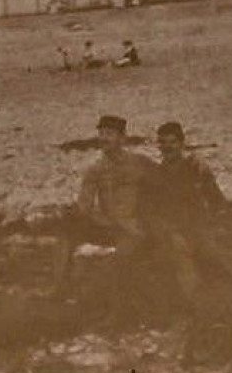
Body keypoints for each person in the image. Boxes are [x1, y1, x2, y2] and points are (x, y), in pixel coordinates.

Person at [53, 114, 157, 303]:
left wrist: (148, 218)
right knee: (68, 232)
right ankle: (59, 290)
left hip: (133, 228)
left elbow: (162, 189)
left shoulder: (141, 163)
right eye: (101, 134)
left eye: (109, 134)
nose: (103, 139)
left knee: (121, 259)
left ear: (122, 138)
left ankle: (104, 306)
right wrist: (75, 214)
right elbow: (85, 205)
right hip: (107, 226)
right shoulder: (95, 169)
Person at [145, 121, 232, 308]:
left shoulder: (196, 167)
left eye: (172, 142)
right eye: (163, 143)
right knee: (182, 259)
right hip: (173, 234)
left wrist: (216, 224)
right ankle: (200, 307)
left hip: (198, 228)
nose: (167, 147)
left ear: (182, 143)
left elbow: (216, 200)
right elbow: (152, 212)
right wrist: (169, 234)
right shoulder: (156, 175)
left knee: (221, 258)